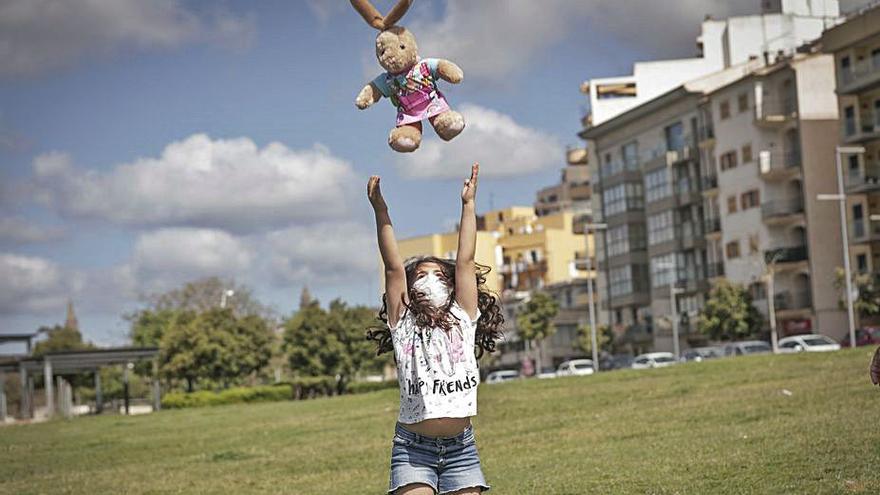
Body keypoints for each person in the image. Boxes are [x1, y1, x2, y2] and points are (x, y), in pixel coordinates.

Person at [366, 163, 503, 495]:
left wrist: (468, 205)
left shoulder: (463, 315)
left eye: (440, 275)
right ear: (411, 289)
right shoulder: (403, 323)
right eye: (422, 275)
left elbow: (466, 260)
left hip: (462, 449)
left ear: (452, 286)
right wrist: (380, 209)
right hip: (413, 449)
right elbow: (393, 265)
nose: (430, 281)